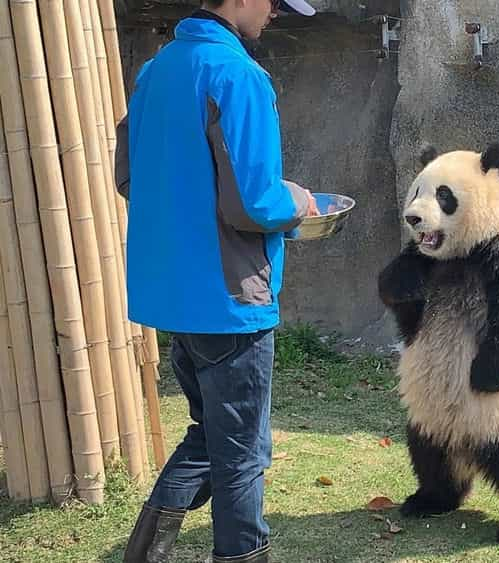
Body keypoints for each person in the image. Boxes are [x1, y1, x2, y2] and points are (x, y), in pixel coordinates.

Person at [115, 1, 319, 561]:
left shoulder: (156, 70)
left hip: (175, 293)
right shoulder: (238, 75)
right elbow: (255, 202)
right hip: (229, 299)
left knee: (211, 436)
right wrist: (300, 201)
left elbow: (130, 176)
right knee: (243, 455)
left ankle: (143, 553)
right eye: (276, 2)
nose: (276, 14)